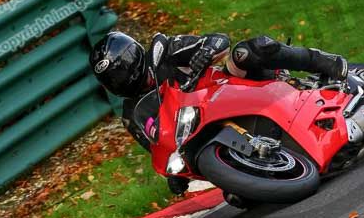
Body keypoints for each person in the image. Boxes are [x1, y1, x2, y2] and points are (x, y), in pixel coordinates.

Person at [90, 31, 348, 194]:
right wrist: (174, 175)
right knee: (236, 198)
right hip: (201, 129)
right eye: (111, 79)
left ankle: (321, 60)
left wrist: (205, 53)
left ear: (132, 57)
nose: (119, 80)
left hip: (227, 88)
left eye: (119, 70)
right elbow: (156, 144)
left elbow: (218, 40)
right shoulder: (131, 113)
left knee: (248, 51)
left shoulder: (165, 52)